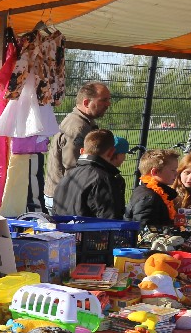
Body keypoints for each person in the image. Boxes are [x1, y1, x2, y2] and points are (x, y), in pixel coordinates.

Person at [44, 81, 112, 209]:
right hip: (65, 198)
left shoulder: (83, 122)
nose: (108, 104)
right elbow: (72, 167)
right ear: (86, 103)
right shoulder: (78, 128)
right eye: (103, 100)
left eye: (108, 99)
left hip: (63, 194)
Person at [51, 129, 126, 219]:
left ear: (82, 151)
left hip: (62, 227)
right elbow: (111, 221)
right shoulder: (104, 180)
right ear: (111, 152)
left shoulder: (68, 176)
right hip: (86, 228)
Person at [126, 148, 180, 230]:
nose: (176, 173)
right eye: (173, 170)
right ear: (155, 172)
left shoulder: (156, 193)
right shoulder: (149, 198)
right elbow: (145, 231)